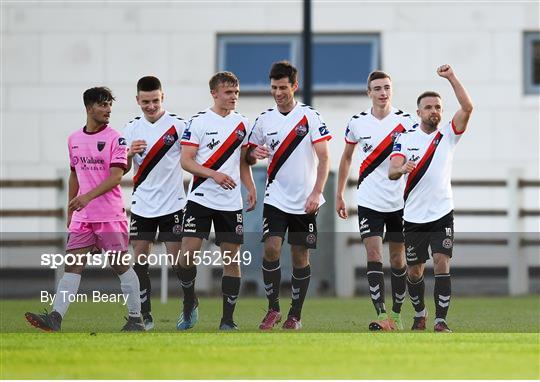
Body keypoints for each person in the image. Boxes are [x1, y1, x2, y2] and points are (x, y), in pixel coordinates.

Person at [25, 87, 143, 332]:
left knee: (121, 266)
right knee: (72, 265)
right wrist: (71, 208)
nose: (108, 109)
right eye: (103, 105)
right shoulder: (73, 139)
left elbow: (115, 177)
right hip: (83, 217)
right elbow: (73, 175)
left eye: (110, 105)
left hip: (110, 216)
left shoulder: (116, 138)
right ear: (89, 108)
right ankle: (55, 318)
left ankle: (135, 319)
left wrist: (86, 198)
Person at [246, 61, 331, 330]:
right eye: (274, 87)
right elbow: (247, 155)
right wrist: (252, 154)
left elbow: (325, 157)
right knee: (271, 248)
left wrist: (317, 192)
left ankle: (295, 314)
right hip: (276, 197)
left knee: (299, 255)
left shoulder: (311, 117)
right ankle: (273, 309)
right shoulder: (264, 119)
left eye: (283, 87)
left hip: (306, 199)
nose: (278, 92)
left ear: (295, 86)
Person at [389, 64, 473, 332]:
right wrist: (401, 169)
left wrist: (451, 77)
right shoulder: (404, 138)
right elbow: (392, 170)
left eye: (438, 107)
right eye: (428, 107)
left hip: (441, 213)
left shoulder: (447, 135)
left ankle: (440, 320)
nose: (434, 111)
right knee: (414, 271)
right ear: (419, 112)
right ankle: (420, 313)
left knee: (441, 262)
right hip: (413, 216)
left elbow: (468, 107)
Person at [336, 71, 417, 331]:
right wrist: (339, 194)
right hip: (369, 199)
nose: (383, 93)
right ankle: (382, 315)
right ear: (368, 92)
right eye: (377, 88)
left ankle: (397, 314)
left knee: (397, 259)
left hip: (400, 202)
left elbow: (418, 152)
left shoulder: (406, 121)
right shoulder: (357, 122)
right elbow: (346, 158)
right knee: (372, 253)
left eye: (386, 88)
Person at [176, 71, 256, 331]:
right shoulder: (198, 121)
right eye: (228, 93)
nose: (234, 97)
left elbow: (244, 161)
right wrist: (214, 175)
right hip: (200, 197)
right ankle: (190, 301)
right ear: (214, 93)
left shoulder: (243, 123)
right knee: (187, 255)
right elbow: (186, 161)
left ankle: (228, 320)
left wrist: (251, 187)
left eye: (236, 93)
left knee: (231, 259)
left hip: (230, 203)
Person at [123, 76, 187, 331]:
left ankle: (188, 304)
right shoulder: (130, 129)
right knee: (139, 260)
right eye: (145, 101)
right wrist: (128, 153)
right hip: (142, 205)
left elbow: (194, 158)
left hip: (172, 204)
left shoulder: (180, 126)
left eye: (155, 101)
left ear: (163, 98)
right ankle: (144, 314)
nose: (151, 106)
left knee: (178, 261)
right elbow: (123, 168)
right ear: (137, 100)